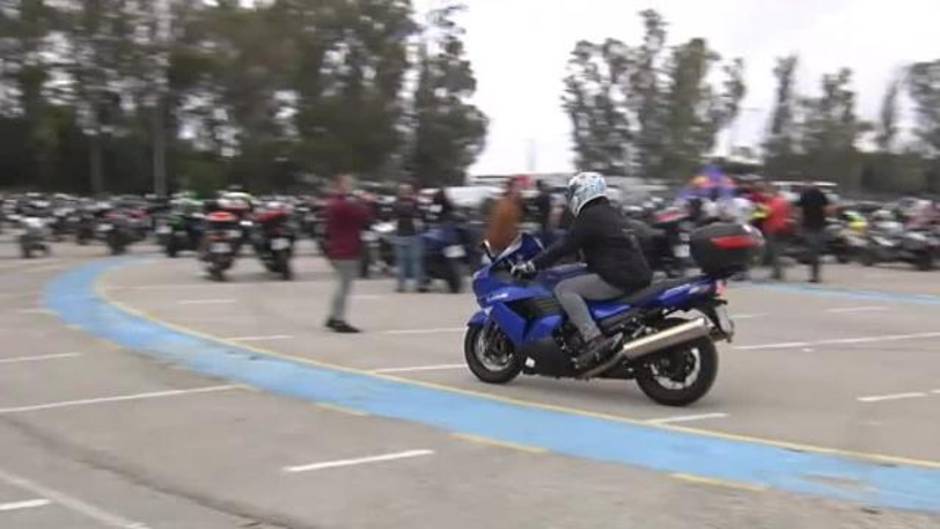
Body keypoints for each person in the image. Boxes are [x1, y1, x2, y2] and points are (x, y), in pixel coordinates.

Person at [511, 172, 652, 367]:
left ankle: (593, 338)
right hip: (636, 274)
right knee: (576, 279)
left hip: (618, 278)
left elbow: (564, 245)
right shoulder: (611, 212)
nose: (570, 198)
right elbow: (598, 245)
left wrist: (532, 264)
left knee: (565, 289)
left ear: (585, 192)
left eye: (574, 192)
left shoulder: (590, 216)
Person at [323, 174, 372, 333]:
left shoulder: (332, 203)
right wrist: (364, 201)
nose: (351, 186)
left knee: (341, 285)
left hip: (337, 247)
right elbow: (364, 216)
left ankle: (333, 316)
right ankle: (339, 319)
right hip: (347, 249)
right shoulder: (344, 204)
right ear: (340, 185)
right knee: (344, 287)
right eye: (348, 184)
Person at [393, 183, 425, 293]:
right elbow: (418, 221)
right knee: (416, 261)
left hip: (399, 235)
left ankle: (400, 286)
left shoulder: (396, 204)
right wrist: (419, 230)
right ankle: (418, 285)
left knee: (401, 262)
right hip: (413, 235)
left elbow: (393, 221)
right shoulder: (415, 203)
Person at [796, 183, 830, 283]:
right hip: (820, 226)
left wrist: (799, 225)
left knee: (812, 251)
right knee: (816, 251)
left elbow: (799, 212)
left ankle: (814, 275)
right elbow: (827, 210)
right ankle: (816, 275)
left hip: (808, 226)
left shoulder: (804, 195)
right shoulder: (821, 195)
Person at [485, 177, 524, 254]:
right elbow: (499, 228)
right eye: (517, 187)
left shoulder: (512, 205)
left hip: (503, 246)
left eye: (520, 187)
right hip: (500, 246)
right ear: (509, 188)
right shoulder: (505, 205)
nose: (519, 190)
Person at [763, 183, 793, 280]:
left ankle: (777, 273)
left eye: (767, 191)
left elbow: (766, 213)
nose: (765, 194)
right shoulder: (784, 201)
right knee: (778, 252)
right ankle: (777, 272)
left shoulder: (773, 202)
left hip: (773, 228)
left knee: (775, 252)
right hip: (783, 228)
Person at [533, 179, 554, 245]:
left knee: (544, 231)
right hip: (546, 216)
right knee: (546, 231)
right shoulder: (545, 194)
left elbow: (535, 203)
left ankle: (544, 244)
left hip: (543, 217)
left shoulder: (541, 195)